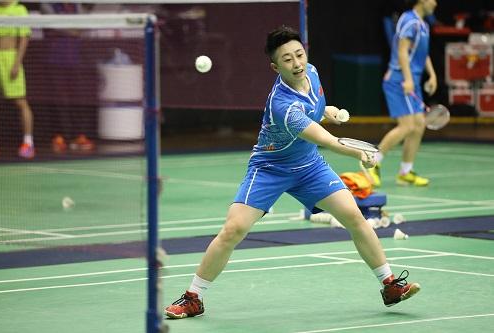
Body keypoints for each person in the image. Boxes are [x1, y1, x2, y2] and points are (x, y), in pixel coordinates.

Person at [164, 26, 421, 319]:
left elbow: (316, 109)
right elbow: (324, 139)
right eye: (287, 60)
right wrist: (360, 152)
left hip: (308, 166)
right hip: (270, 168)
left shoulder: (311, 72)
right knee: (233, 230)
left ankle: (390, 286)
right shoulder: (281, 104)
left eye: (299, 54)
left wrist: (330, 112)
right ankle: (193, 297)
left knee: (354, 217)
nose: (297, 63)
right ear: (275, 66)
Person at [364, 0, 438, 187]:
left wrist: (432, 75)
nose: (435, 3)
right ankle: (372, 163)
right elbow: (402, 51)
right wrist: (408, 79)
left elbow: (422, 53)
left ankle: (405, 171)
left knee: (419, 124)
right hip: (400, 79)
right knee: (407, 126)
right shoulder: (409, 20)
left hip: (411, 80)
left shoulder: (423, 25)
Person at [40, 2, 94, 153]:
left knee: (78, 98)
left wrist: (73, 30)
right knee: (58, 99)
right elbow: (56, 24)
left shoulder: (76, 5)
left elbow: (84, 25)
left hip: (74, 59)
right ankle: (59, 136)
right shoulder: (47, 5)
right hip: (54, 59)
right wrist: (73, 30)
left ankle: (79, 136)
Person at [0, 0, 35, 159]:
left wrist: (17, 62)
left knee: (20, 101)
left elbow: (24, 38)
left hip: (10, 57)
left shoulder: (19, 9)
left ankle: (28, 142)